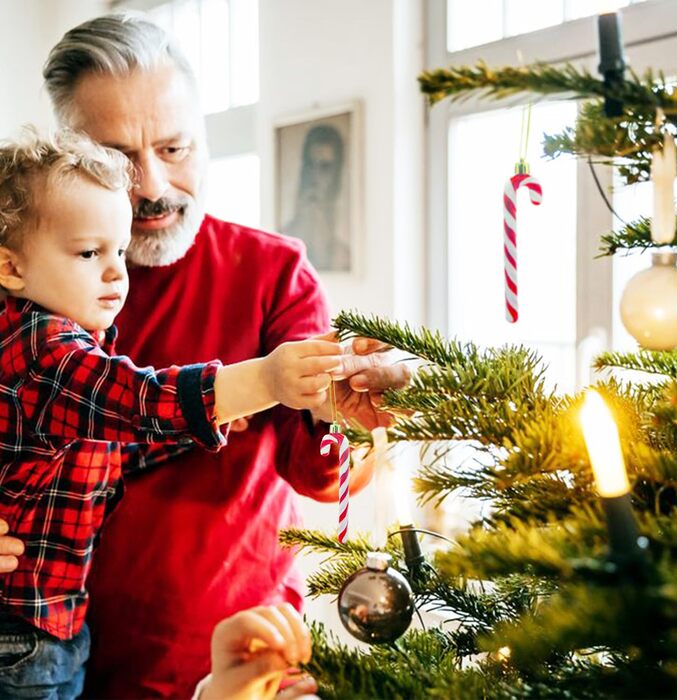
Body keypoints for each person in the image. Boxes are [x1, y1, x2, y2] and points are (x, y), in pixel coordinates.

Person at [0, 12, 410, 698]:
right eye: (120, 158)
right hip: (44, 650)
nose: (154, 186)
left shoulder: (272, 272)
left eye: (175, 147)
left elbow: (324, 474)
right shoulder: (20, 288)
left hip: (232, 657)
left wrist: (352, 405)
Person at [282, 124, 350, 272]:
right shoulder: (282, 238)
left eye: (324, 167)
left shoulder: (344, 253)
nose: (315, 177)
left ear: (335, 175)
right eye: (310, 165)